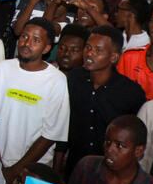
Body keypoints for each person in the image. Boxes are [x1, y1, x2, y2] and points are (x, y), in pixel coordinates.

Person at [0, 18, 69, 184]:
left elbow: (50, 135)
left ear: (46, 48)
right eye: (24, 36)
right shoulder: (2, 68)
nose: (27, 43)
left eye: (36, 40)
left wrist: (15, 170)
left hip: (34, 170)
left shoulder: (56, 80)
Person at [61, 26, 146, 175]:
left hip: (111, 170)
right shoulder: (75, 78)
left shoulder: (131, 92)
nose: (89, 54)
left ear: (113, 57)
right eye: (88, 47)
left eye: (98, 50)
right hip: (75, 166)